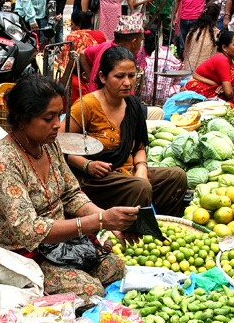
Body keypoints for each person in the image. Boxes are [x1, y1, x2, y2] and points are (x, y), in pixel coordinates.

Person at [0, 75, 138, 300]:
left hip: (59, 243)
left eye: (58, 115)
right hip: (20, 251)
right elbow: (29, 231)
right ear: (23, 119)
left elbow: (71, 194)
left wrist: (107, 220)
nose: (57, 124)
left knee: (115, 267)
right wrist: (98, 222)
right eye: (48, 117)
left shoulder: (49, 145)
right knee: (90, 292)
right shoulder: (1, 160)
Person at [66, 47, 188, 216]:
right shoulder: (86, 105)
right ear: (102, 77)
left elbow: (139, 147)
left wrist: (141, 169)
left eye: (132, 75)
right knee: (140, 187)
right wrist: (87, 165)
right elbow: (61, 146)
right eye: (119, 76)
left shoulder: (133, 104)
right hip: (97, 179)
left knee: (176, 177)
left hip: (127, 172)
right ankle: (134, 231)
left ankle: (162, 223)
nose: (128, 82)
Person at [185, 30, 234, 116]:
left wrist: (224, 86)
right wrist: (224, 86)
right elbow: (229, 93)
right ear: (224, 48)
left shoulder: (231, 61)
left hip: (215, 90)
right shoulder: (221, 60)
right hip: (201, 91)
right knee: (230, 107)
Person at [81, 13, 144, 92]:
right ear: (134, 42)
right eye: (141, 41)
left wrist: (92, 80)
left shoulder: (103, 46)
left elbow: (83, 53)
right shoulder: (119, 56)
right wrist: (92, 78)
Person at [183, 2, 221, 72]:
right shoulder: (218, 35)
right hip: (205, 75)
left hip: (187, 72)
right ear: (217, 17)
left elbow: (185, 54)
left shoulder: (192, 32)